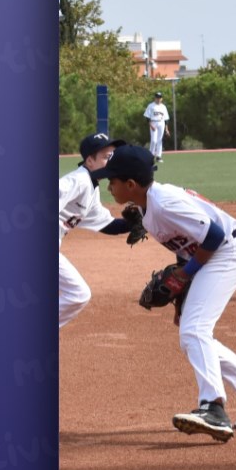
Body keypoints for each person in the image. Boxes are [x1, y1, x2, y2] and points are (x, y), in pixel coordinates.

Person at [90, 144, 236, 442]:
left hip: (228, 253)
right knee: (193, 333)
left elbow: (214, 236)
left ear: (131, 185)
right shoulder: (146, 209)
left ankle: (213, 407)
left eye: (113, 180)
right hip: (210, 257)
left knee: (194, 332)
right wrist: (180, 298)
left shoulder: (166, 202)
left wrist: (183, 276)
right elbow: (186, 247)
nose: (108, 185)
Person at [58, 133, 137, 328]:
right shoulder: (78, 181)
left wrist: (138, 222)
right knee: (78, 294)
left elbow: (107, 225)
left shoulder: (92, 188)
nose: (111, 160)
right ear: (89, 160)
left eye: (112, 156)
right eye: (105, 156)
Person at [143, 92, 170, 162]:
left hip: (161, 123)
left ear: (162, 99)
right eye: (157, 97)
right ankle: (151, 156)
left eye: (160, 97)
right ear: (155, 98)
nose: (158, 99)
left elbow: (166, 119)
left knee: (159, 140)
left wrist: (166, 129)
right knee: (153, 140)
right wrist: (151, 125)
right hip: (153, 122)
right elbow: (147, 117)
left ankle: (158, 156)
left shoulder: (163, 107)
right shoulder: (151, 106)